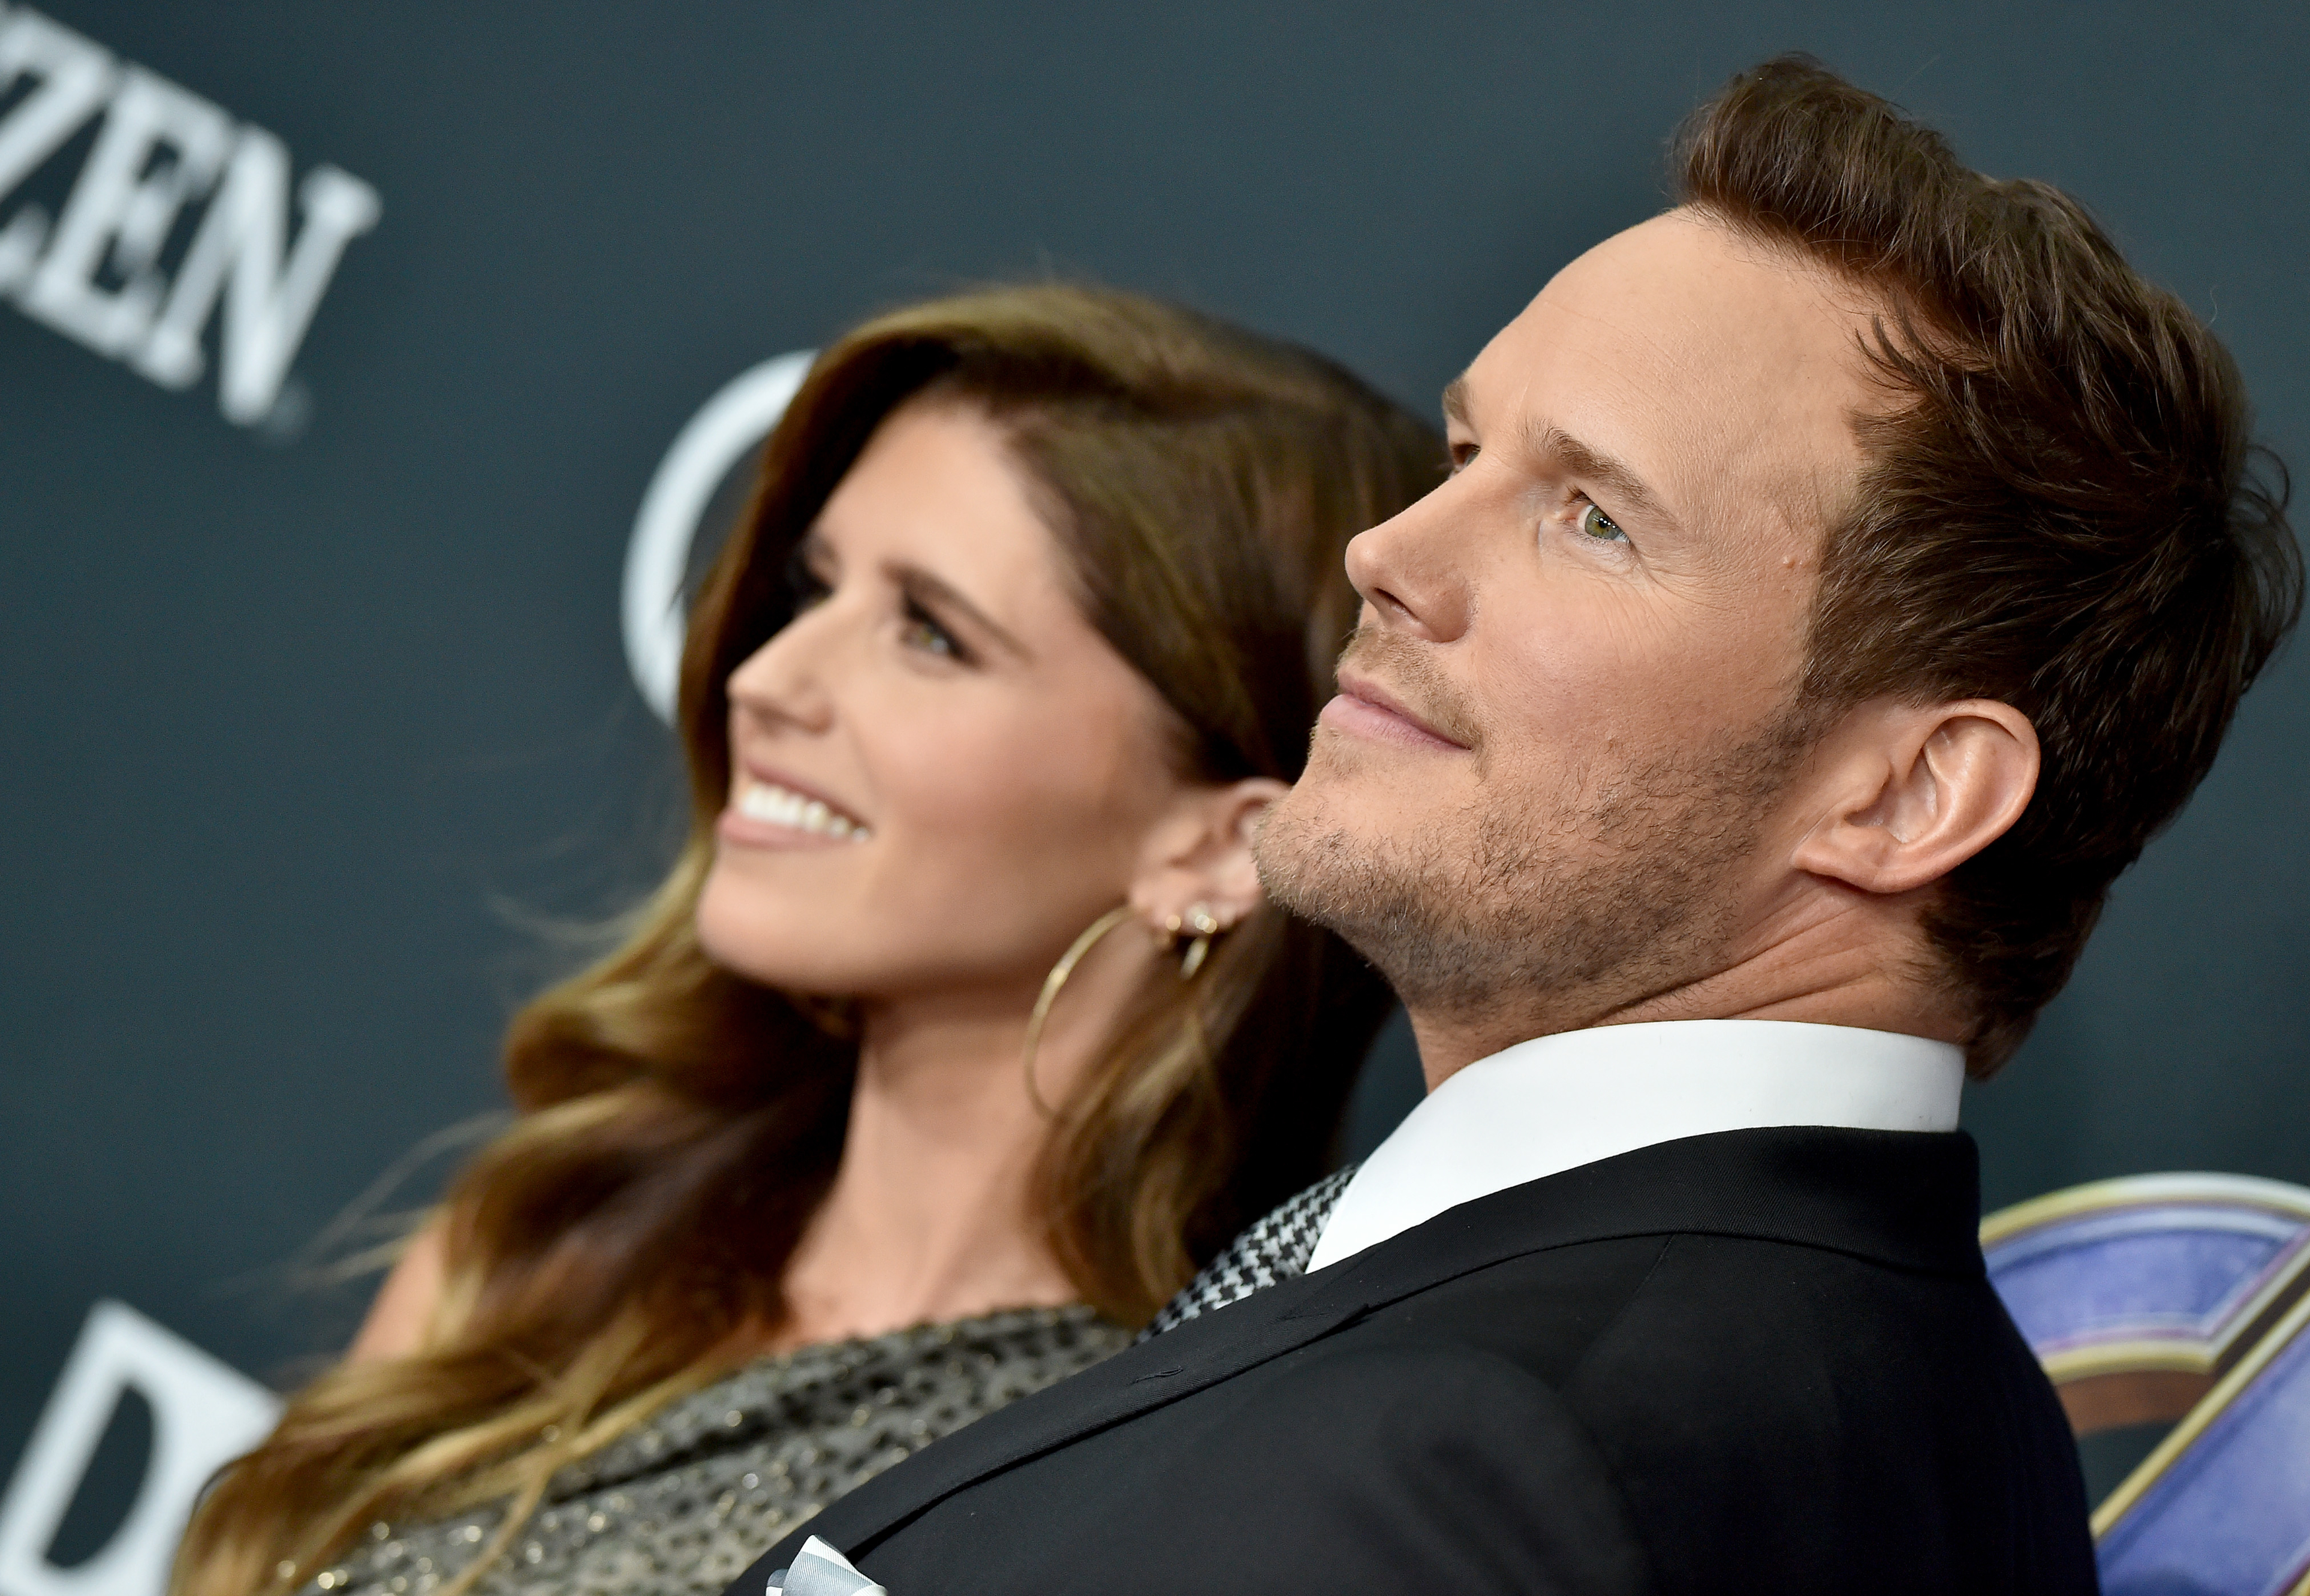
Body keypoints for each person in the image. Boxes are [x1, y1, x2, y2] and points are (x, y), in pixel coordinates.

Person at [724, 57, 2303, 1596]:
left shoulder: (1490, 1464)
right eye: (1467, 451)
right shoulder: (1878, 1402)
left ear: (1905, 792)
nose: (1386, 549)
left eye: (1593, 518)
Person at [170, 286, 1444, 1596]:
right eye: (812, 587)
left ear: (1213, 848)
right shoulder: (561, 1245)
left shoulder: (1129, 1490)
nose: (763, 678)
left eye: (928, 634)